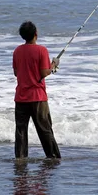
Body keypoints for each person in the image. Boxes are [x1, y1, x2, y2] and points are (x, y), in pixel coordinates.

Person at [12, 21, 61, 159]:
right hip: (38, 97)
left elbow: (16, 72)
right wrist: (54, 65)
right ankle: (53, 157)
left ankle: (20, 158)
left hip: (21, 97)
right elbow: (45, 72)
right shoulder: (41, 50)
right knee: (45, 130)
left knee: (21, 131)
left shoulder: (17, 51)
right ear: (36, 34)